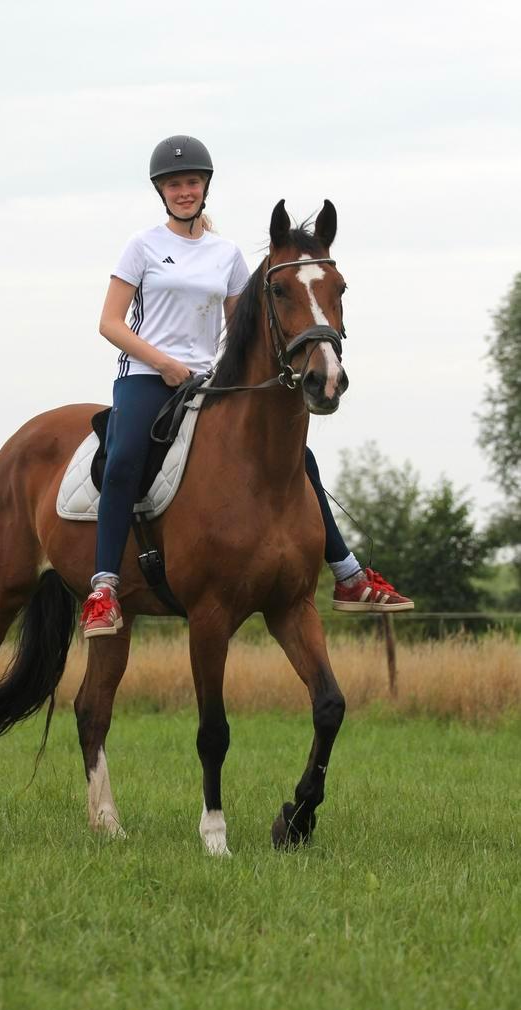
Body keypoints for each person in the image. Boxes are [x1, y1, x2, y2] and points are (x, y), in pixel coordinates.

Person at [80, 135, 413, 638]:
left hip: (208, 380)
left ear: (205, 187)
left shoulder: (227, 254)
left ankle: (347, 574)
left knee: (297, 456)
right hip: (147, 375)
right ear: (161, 191)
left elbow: (246, 330)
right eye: (174, 184)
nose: (184, 191)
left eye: (192, 182)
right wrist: (165, 364)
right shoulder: (142, 246)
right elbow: (110, 323)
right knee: (125, 456)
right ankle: (104, 589)